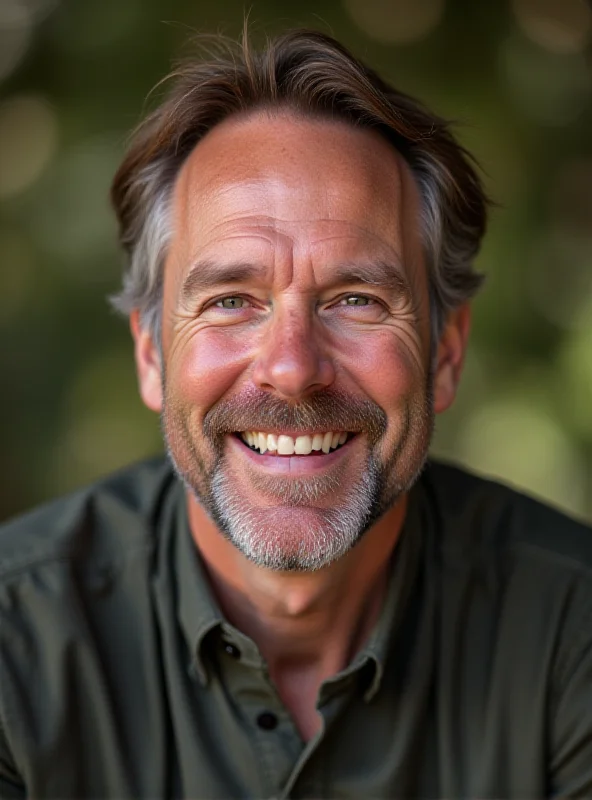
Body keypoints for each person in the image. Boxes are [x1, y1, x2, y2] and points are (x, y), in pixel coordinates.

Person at [0, 28, 591, 799]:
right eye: (231, 301)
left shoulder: (572, 634)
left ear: (445, 353)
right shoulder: (14, 647)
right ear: (151, 353)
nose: (291, 366)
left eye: (356, 300)